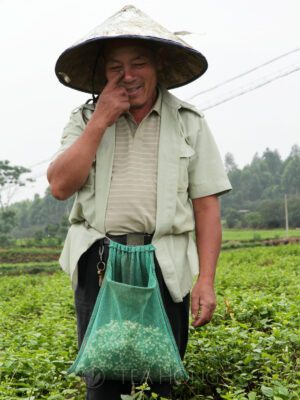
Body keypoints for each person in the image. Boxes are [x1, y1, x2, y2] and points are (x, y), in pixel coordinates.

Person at [48, 5, 232, 399]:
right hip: (100, 263)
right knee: (103, 387)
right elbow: (60, 185)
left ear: (159, 65)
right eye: (115, 68)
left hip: (165, 264)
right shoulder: (84, 119)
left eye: (138, 64)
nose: (127, 76)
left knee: (159, 382)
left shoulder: (189, 122)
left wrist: (206, 280)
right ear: (103, 74)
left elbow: (206, 206)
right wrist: (101, 120)